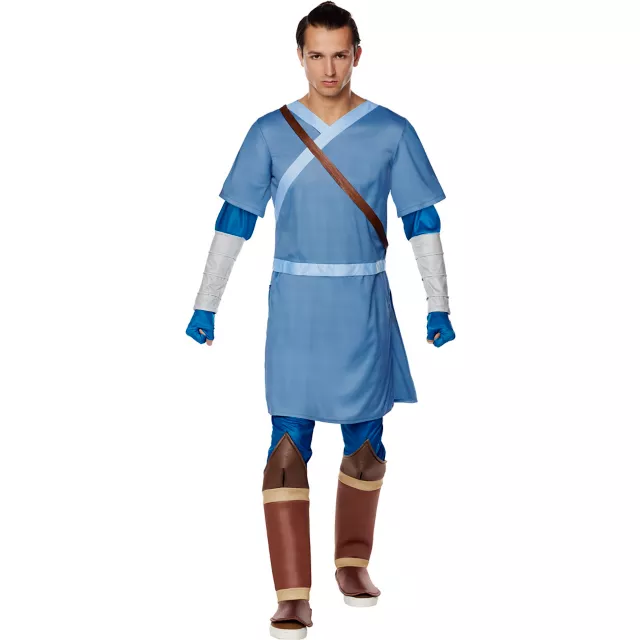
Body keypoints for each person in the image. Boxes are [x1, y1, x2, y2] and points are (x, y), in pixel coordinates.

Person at [185, 2, 456, 637]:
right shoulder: (269, 132)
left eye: (339, 54)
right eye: (316, 55)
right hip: (296, 309)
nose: (328, 68)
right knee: (286, 448)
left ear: (357, 54)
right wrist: (206, 303)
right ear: (300, 56)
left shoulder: (392, 131)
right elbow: (235, 220)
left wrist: (438, 303)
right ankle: (292, 595)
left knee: (364, 446)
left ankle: (352, 564)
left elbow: (421, 220)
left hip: (362, 305)